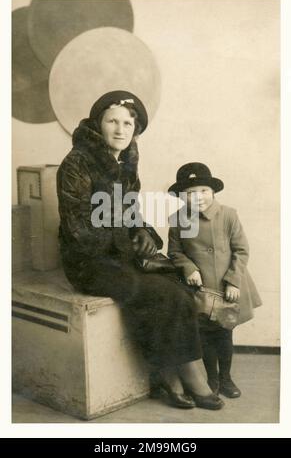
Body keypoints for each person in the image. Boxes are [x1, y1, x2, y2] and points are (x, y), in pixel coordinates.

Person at [56, 91, 223, 410]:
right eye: (112, 121)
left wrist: (144, 233)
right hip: (87, 261)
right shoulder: (76, 163)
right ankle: (178, 377)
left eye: (128, 123)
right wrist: (128, 245)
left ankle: (174, 374)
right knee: (155, 292)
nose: (120, 129)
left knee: (176, 285)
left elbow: (130, 211)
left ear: (135, 129)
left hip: (119, 254)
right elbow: (78, 229)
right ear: (98, 124)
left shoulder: (125, 161)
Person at [168, 162, 262, 398]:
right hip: (200, 288)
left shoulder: (228, 215)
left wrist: (233, 281)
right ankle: (211, 378)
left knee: (224, 334)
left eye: (203, 191)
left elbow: (241, 250)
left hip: (226, 285)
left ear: (212, 192)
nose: (198, 197)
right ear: (181, 196)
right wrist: (188, 268)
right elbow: (175, 252)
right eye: (190, 193)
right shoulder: (179, 219)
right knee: (206, 335)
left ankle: (226, 378)